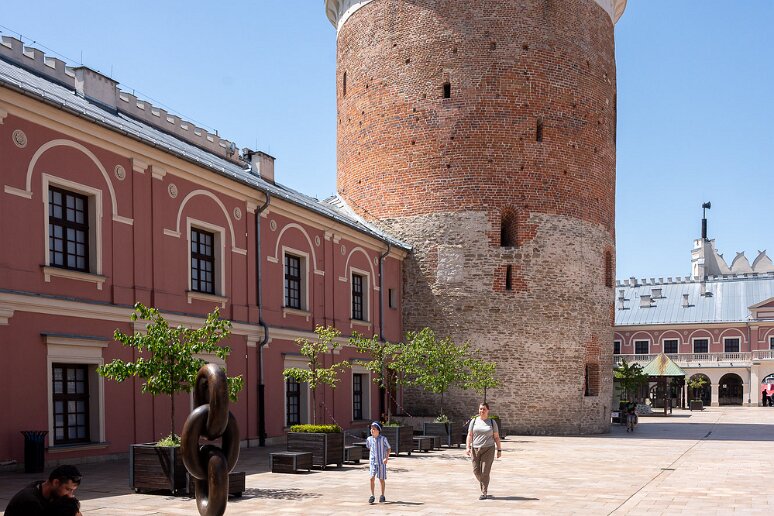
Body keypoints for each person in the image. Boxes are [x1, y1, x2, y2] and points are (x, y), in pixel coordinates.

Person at [5, 464, 82, 516]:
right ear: (56, 482)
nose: (70, 494)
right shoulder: (30, 501)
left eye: (72, 490)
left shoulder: (47, 490)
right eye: (68, 489)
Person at [466, 402, 502, 500]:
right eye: (480, 409)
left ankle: (484, 492)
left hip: (489, 448)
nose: (482, 411)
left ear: (488, 410)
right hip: (475, 449)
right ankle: (484, 482)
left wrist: (499, 450)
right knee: (476, 471)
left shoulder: (492, 422)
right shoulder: (474, 421)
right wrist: (467, 447)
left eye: (484, 409)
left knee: (485, 472)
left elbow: (497, 437)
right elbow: (470, 435)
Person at [365, 421, 391, 504]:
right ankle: (372, 495)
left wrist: (386, 458)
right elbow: (369, 447)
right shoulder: (369, 439)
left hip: (381, 462)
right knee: (371, 478)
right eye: (371, 429)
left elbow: (389, 448)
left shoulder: (383, 439)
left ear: (378, 430)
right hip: (373, 462)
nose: (372, 430)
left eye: (374, 429)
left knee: (381, 479)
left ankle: (382, 495)